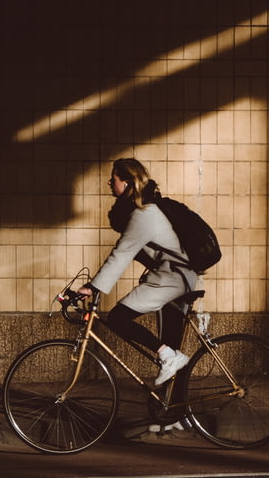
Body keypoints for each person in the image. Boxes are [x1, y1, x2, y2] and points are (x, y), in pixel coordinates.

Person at [78, 158, 197, 386]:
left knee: (118, 318)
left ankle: (168, 356)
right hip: (175, 277)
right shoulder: (143, 212)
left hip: (172, 279)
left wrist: (93, 287)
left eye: (113, 179)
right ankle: (173, 417)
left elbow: (121, 254)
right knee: (171, 346)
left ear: (127, 182)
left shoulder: (144, 215)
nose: (109, 183)